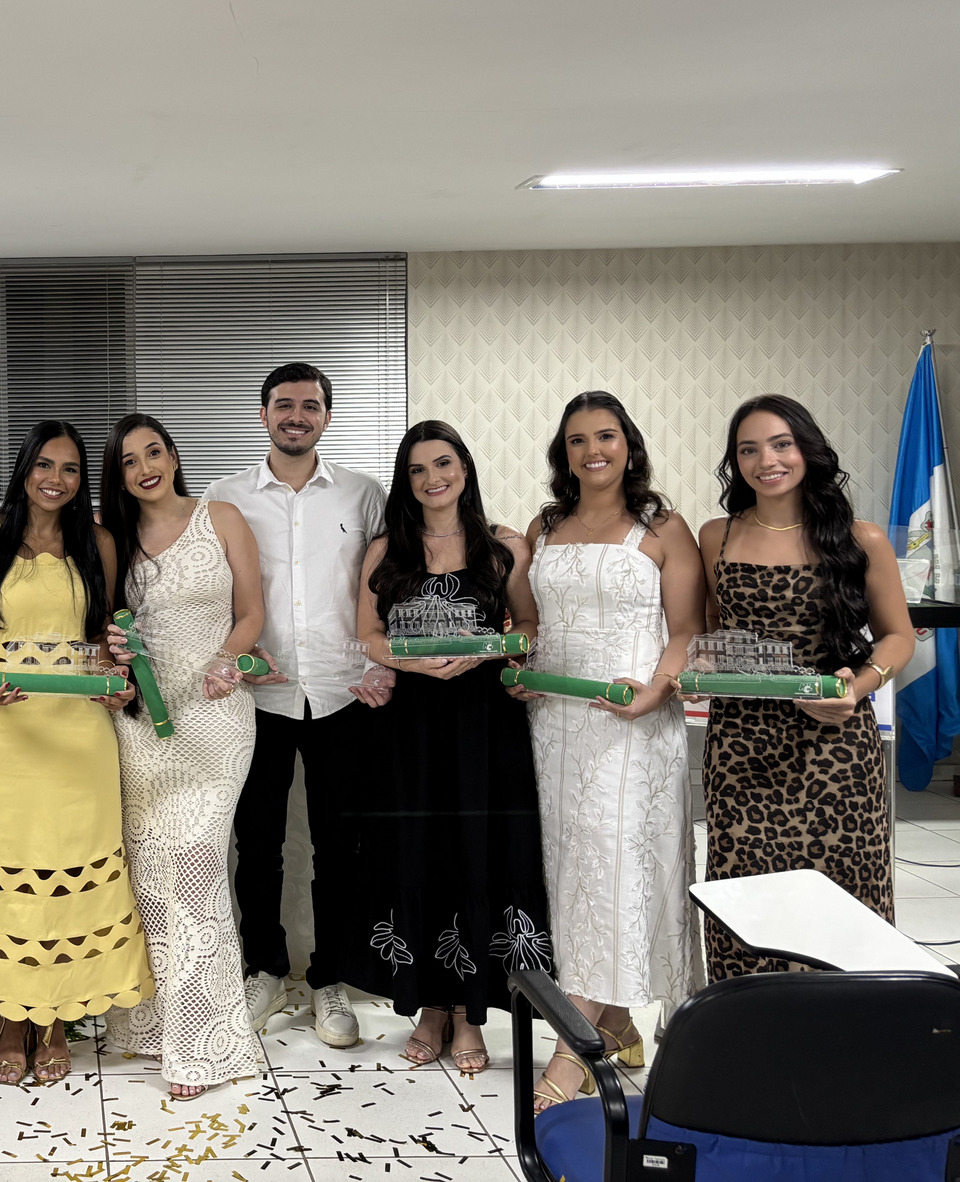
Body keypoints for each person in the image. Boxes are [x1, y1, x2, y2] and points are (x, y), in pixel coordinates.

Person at [0, 420, 154, 1086]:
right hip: (3, 725)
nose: (56, 479)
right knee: (4, 859)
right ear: (24, 469)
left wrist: (117, 682)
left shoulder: (99, 542)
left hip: (79, 730)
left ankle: (52, 1018)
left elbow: (105, 634)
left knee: (65, 859)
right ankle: (10, 1018)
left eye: (71, 469)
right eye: (45, 465)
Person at [514, 392, 704, 1113]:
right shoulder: (544, 526)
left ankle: (575, 1050)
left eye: (606, 436)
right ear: (563, 454)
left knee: (614, 868)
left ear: (629, 445)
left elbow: (686, 629)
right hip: (555, 724)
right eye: (577, 440)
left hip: (632, 724)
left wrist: (657, 689)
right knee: (572, 875)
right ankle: (616, 1020)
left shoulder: (663, 528)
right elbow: (534, 621)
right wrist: (523, 664)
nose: (593, 450)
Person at [346, 420, 551, 1075]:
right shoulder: (386, 549)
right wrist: (406, 662)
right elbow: (367, 635)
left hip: (484, 723)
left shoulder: (503, 545)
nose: (432, 478)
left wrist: (485, 651)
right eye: (417, 469)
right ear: (405, 482)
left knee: (477, 854)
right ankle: (429, 1009)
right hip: (407, 727)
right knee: (419, 852)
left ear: (465, 467)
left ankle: (470, 1015)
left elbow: (529, 627)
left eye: (443, 463)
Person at [203, 362, 391, 1047]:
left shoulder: (363, 495)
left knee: (340, 846)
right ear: (263, 414)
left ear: (327, 417)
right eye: (284, 404)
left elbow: (394, 579)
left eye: (310, 406)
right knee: (258, 844)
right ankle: (265, 969)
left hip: (344, 691)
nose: (296, 416)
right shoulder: (225, 497)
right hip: (259, 695)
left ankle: (330, 977)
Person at [698, 395, 915, 981]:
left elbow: (898, 637)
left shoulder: (861, 539)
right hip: (741, 744)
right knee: (746, 895)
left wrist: (860, 686)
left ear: (808, 450)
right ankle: (751, 1026)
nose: (766, 460)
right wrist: (699, 670)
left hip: (836, 745)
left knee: (842, 898)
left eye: (780, 444)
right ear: (735, 462)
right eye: (748, 450)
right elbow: (713, 629)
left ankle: (847, 1028)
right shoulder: (716, 536)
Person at [100, 414, 266, 1100]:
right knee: (148, 873)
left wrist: (226, 661)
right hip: (141, 723)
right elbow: (101, 630)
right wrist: (110, 654)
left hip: (216, 716)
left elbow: (252, 613)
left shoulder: (220, 517)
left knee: (197, 867)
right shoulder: (111, 539)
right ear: (118, 476)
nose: (145, 467)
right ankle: (151, 1026)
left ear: (173, 456)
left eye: (154, 452)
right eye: (130, 460)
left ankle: (204, 1044)